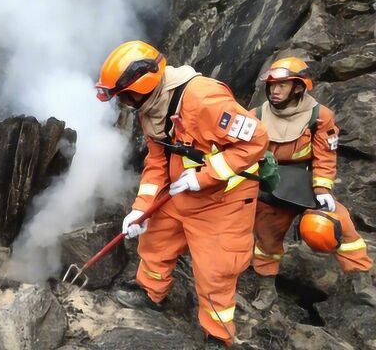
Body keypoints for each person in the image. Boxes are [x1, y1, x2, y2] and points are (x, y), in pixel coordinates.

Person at [96, 40, 268, 348]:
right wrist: (141, 208)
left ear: (145, 83)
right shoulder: (149, 108)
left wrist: (204, 176)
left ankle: (217, 334)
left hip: (223, 199)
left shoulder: (204, 98)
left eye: (126, 96)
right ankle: (151, 293)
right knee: (156, 239)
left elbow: (255, 142)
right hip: (181, 193)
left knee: (216, 269)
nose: (125, 103)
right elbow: (157, 161)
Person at [249, 57, 375, 310]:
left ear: (298, 87)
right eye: (272, 85)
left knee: (340, 225)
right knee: (267, 240)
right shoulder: (256, 116)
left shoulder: (320, 116)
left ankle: (362, 283)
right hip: (271, 185)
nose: (274, 90)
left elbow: (325, 155)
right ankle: (266, 289)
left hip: (306, 182)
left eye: (282, 85)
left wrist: (323, 189)